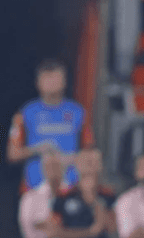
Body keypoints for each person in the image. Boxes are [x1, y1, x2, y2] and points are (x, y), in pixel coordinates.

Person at [7, 60, 93, 192]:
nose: (52, 83)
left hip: (71, 188)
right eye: (47, 78)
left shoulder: (78, 113)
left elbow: (91, 154)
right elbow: (12, 154)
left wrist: (69, 159)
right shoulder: (25, 113)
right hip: (35, 188)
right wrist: (38, 149)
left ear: (65, 81)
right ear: (38, 82)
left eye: (56, 78)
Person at [18, 151, 67, 238]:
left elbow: (81, 228)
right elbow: (29, 235)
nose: (53, 171)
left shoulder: (74, 195)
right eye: (49, 166)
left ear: (64, 168)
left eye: (56, 166)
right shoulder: (30, 198)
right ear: (43, 169)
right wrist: (57, 233)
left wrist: (46, 227)